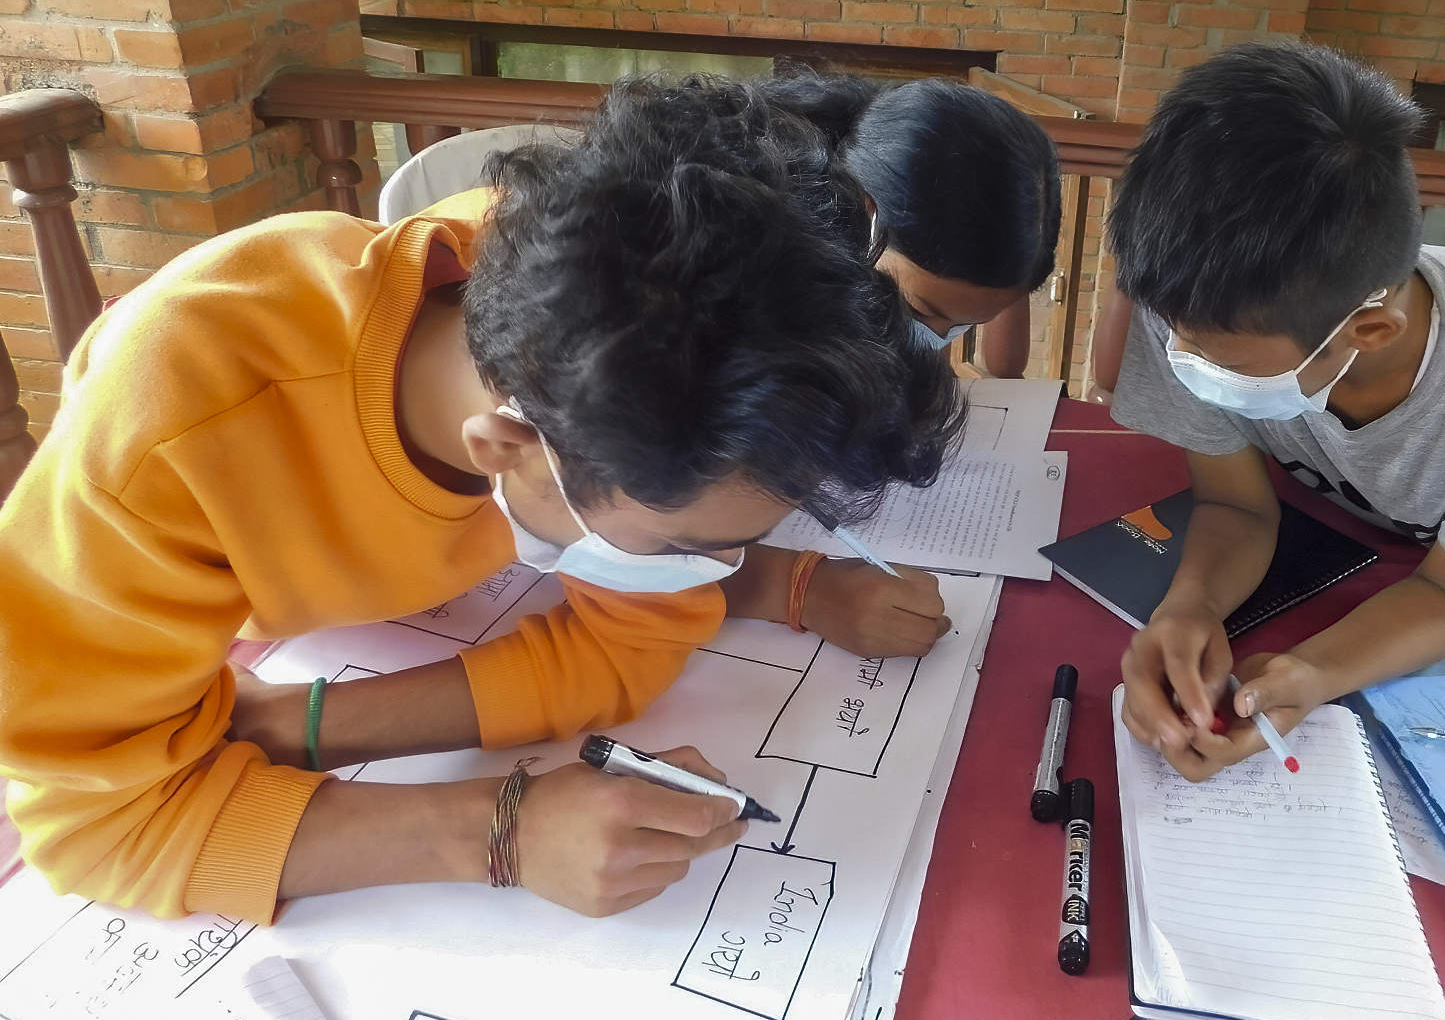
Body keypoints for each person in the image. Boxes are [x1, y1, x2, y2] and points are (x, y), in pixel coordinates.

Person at [0, 75, 962, 925]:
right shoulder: (169, 431)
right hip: (205, 633)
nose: (704, 581)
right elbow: (92, 816)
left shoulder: (622, 329)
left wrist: (297, 725)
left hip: (307, 667)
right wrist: (491, 830)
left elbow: (625, 649)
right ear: (510, 450)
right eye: (684, 547)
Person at [1108, 43, 1445, 783]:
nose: (1183, 358)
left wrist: (1311, 676)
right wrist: (1188, 609)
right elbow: (1234, 501)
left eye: (1224, 360)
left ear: (1368, 332)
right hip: (1312, 540)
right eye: (1172, 333)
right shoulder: (1199, 303)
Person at [756, 73, 1063, 353]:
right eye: (917, 312)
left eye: (963, 326)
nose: (933, 346)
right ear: (865, 217)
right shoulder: (747, 290)